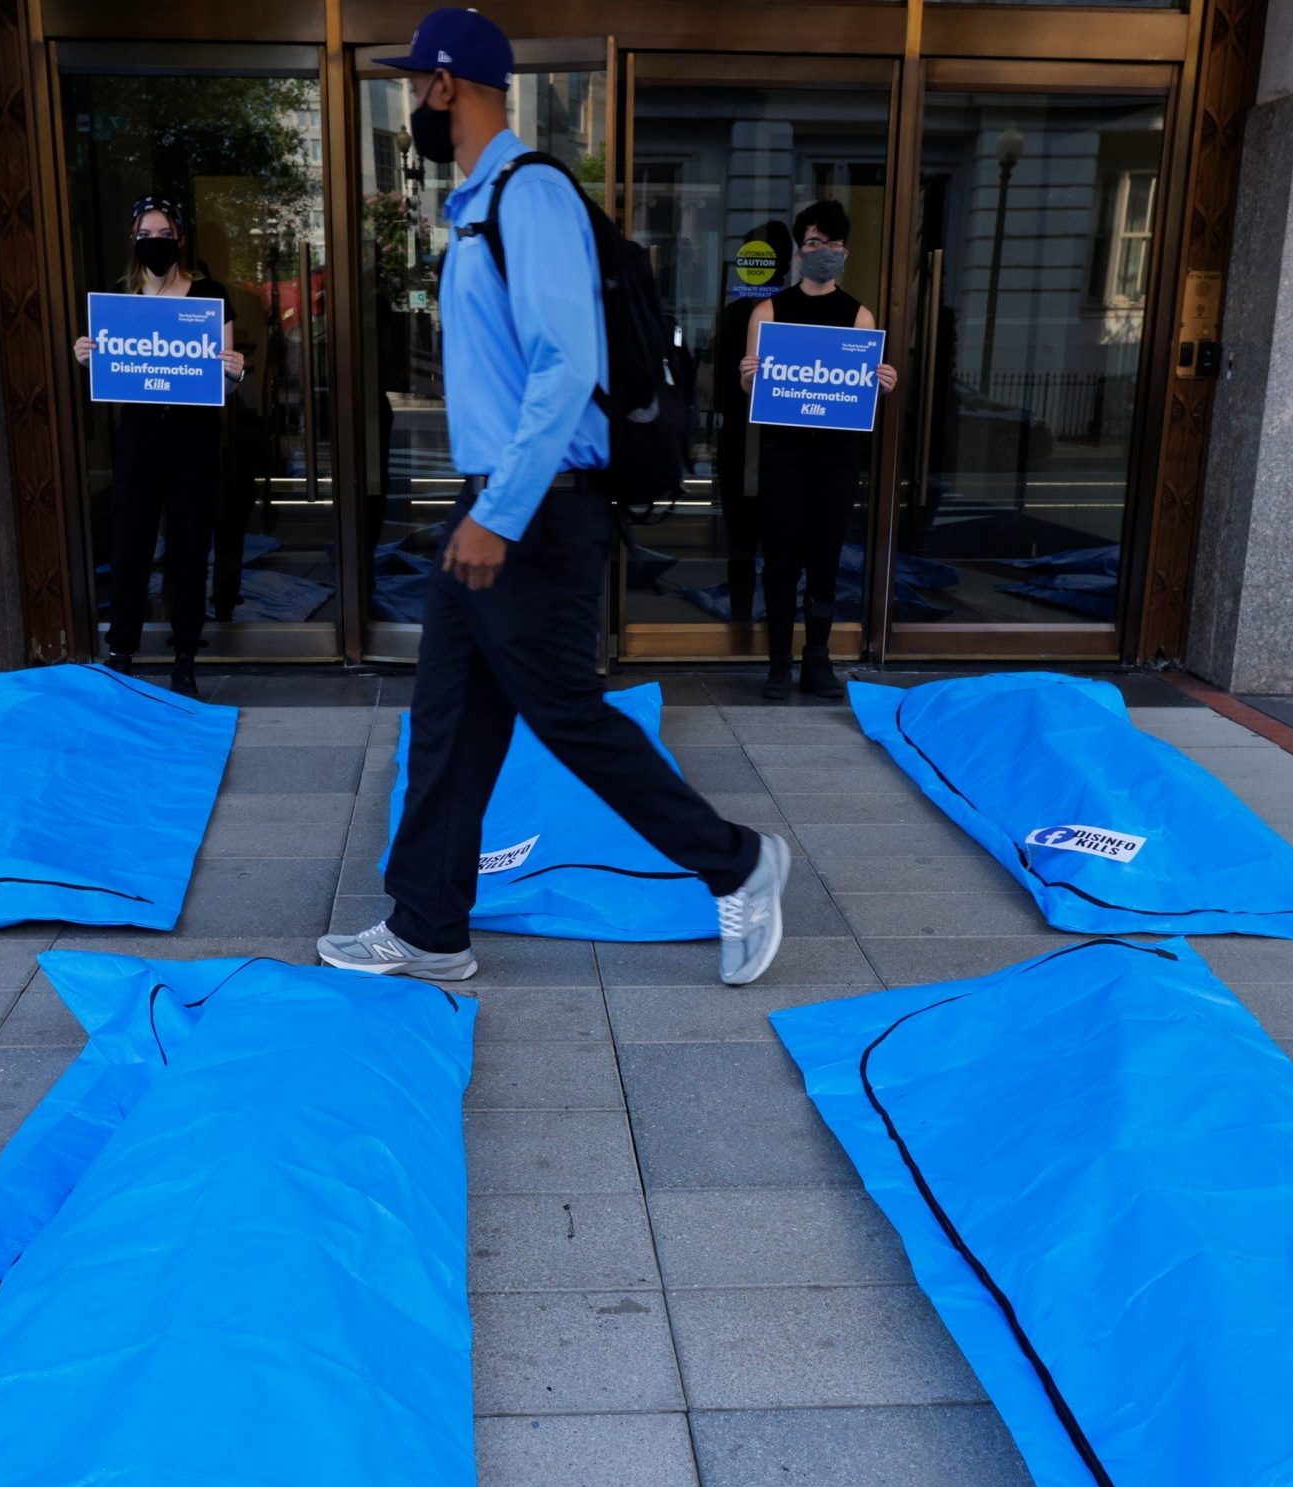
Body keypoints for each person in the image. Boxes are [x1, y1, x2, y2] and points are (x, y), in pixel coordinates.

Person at [318, 6, 790, 988]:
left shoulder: (528, 197)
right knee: (449, 719)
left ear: (448, 85)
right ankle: (428, 926)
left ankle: (738, 863)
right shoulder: (481, 203)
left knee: (567, 717)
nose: (411, 102)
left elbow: (564, 364)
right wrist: (482, 507)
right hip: (492, 502)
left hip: (534, 512)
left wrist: (499, 515)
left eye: (416, 85)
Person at [73, 195, 247, 698]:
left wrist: (234, 375)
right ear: (133, 242)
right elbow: (112, 374)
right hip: (140, 439)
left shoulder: (210, 296)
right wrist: (88, 359)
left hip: (193, 440)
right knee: (131, 546)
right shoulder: (118, 303)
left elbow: (221, 383)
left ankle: (185, 655)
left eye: (164, 234)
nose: (155, 242)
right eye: (146, 235)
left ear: (180, 238)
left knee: (190, 549)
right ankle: (121, 653)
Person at [741, 202, 897, 700]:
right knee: (782, 558)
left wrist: (881, 382)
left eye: (830, 244)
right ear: (798, 251)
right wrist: (749, 380)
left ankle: (818, 662)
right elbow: (754, 389)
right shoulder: (768, 311)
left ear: (844, 253)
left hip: (835, 458)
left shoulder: (859, 315)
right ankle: (779, 664)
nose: (822, 252)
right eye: (812, 243)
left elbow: (859, 389)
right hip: (783, 455)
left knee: (826, 559)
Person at [712, 221, 791, 629]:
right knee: (777, 540)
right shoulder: (789, 313)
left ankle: (742, 618)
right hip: (772, 439)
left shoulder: (733, 313)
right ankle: (771, 624)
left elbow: (717, 383)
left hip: (743, 435)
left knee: (741, 538)